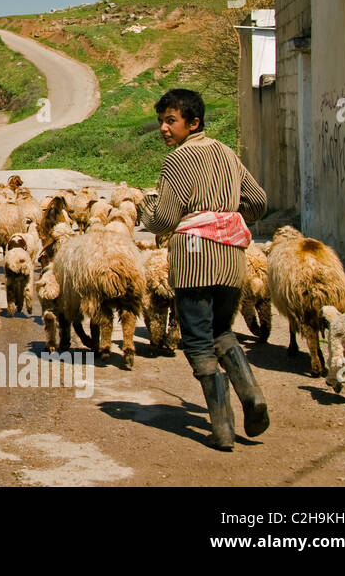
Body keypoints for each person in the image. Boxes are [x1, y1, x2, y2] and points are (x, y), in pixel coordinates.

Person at [141, 89, 268, 451]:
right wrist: (225, 214)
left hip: (194, 261)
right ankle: (252, 394)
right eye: (162, 121)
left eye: (171, 121)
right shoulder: (227, 153)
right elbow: (258, 201)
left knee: (197, 340)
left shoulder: (178, 160)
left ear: (192, 123)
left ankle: (222, 428)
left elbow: (163, 219)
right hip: (231, 258)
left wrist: (148, 207)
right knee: (222, 330)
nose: (164, 128)